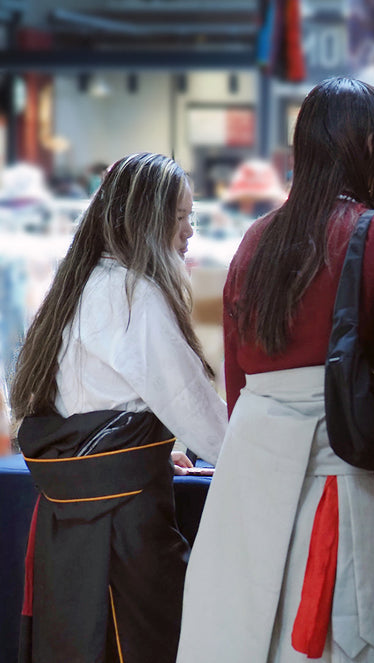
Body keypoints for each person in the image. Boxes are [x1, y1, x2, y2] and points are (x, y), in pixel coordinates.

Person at [176, 77, 374, 663]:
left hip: (250, 473)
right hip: (340, 471)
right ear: (369, 148)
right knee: (334, 637)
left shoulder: (257, 238)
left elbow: (236, 375)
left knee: (246, 633)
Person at [9, 151, 227, 663]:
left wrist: (145, 450)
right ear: (146, 219)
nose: (189, 231)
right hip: (122, 527)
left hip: (68, 521)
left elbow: (88, 409)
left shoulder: (77, 285)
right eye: (180, 217)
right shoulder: (133, 294)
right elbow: (198, 413)